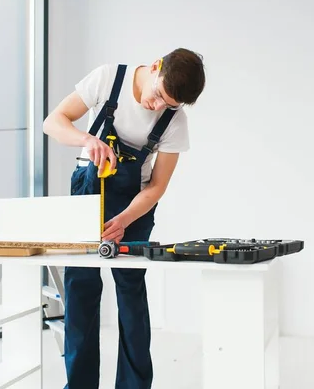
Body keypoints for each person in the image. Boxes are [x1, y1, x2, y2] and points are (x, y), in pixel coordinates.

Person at [43, 48, 206, 389]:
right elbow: (53, 122)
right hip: (87, 195)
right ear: (156, 67)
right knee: (81, 290)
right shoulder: (108, 78)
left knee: (130, 294)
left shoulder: (176, 122)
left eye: (169, 104)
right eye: (158, 95)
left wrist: (124, 219)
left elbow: (157, 186)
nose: (158, 106)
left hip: (136, 204)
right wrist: (88, 140)